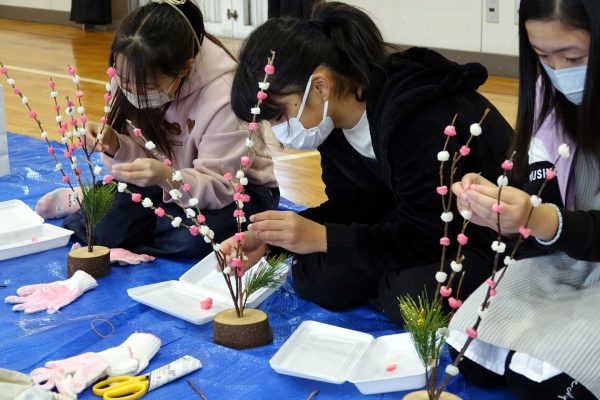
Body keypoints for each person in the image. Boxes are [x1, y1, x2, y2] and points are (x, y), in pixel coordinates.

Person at [221, 2, 514, 324]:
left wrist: (324, 239)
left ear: (320, 86)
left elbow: (431, 231)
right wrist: (271, 240)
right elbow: (351, 206)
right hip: (410, 218)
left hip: (476, 233)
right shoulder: (331, 121)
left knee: (410, 295)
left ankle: (393, 283)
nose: (278, 128)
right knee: (318, 278)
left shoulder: (419, 116)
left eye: (280, 115)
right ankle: (384, 279)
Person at [36, 0, 279, 259]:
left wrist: (167, 178)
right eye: (123, 79)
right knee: (103, 228)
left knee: (189, 239)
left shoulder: (224, 96)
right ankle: (108, 209)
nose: (131, 90)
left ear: (184, 68)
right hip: (164, 182)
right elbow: (144, 161)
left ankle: (122, 217)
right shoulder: (131, 67)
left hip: (235, 191)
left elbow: (221, 187)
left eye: (147, 87)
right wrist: (116, 145)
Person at [447, 0, 600, 398]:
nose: (559, 72)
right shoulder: (548, 98)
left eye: (573, 56)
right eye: (543, 56)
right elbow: (541, 199)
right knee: (471, 353)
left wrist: (543, 219)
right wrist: (499, 206)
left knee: (552, 381)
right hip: (573, 257)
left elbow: (555, 221)